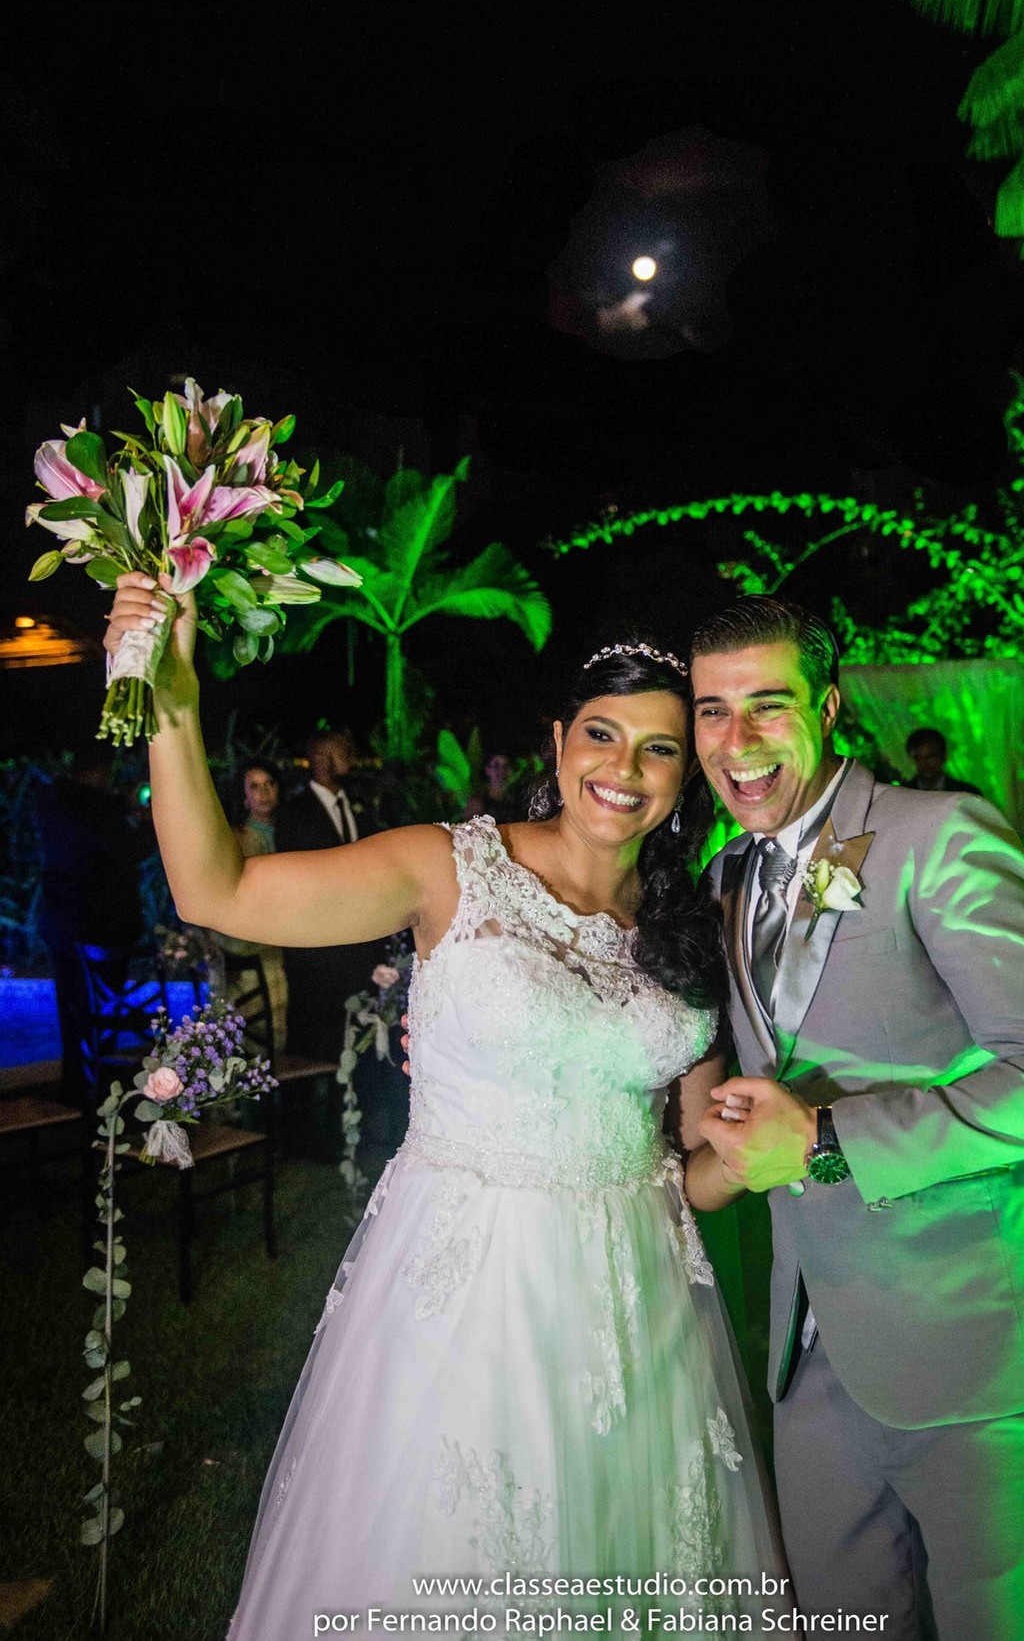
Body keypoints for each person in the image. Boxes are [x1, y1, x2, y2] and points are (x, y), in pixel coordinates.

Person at [101, 574, 785, 1635]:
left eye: (657, 748)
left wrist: (748, 1155)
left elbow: (696, 1164)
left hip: (638, 1310)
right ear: (557, 743)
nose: (623, 769)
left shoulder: (691, 923)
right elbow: (217, 890)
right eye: (601, 735)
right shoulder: (448, 868)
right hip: (472, 1302)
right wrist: (171, 697)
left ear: (683, 773)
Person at [688, 596, 1024, 1641]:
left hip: (981, 1350)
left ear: (829, 706)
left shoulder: (939, 837)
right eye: (712, 709)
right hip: (811, 1359)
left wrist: (832, 1138)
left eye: (767, 705)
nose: (735, 741)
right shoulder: (721, 880)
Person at [33, 738, 157, 1103]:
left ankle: (79, 1082)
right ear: (103, 771)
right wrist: (149, 822)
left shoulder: (51, 799)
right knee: (103, 1009)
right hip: (100, 927)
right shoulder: (97, 808)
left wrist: (121, 804)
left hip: (60, 920)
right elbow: (131, 850)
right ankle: (101, 1086)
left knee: (72, 1007)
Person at [272, 728, 378, 1062]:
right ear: (321, 758)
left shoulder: (360, 803)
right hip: (318, 945)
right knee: (319, 1036)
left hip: (359, 939)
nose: (350, 754)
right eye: (342, 748)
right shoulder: (294, 813)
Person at [207, 760, 289, 1050]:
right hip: (251, 947)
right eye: (254, 786)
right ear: (243, 795)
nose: (264, 792)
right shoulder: (236, 839)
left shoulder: (292, 832)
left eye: (269, 784)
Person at [903, 725, 982, 796]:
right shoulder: (903, 794)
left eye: (930, 757)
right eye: (918, 758)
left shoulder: (967, 794)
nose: (924, 763)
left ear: (943, 757)